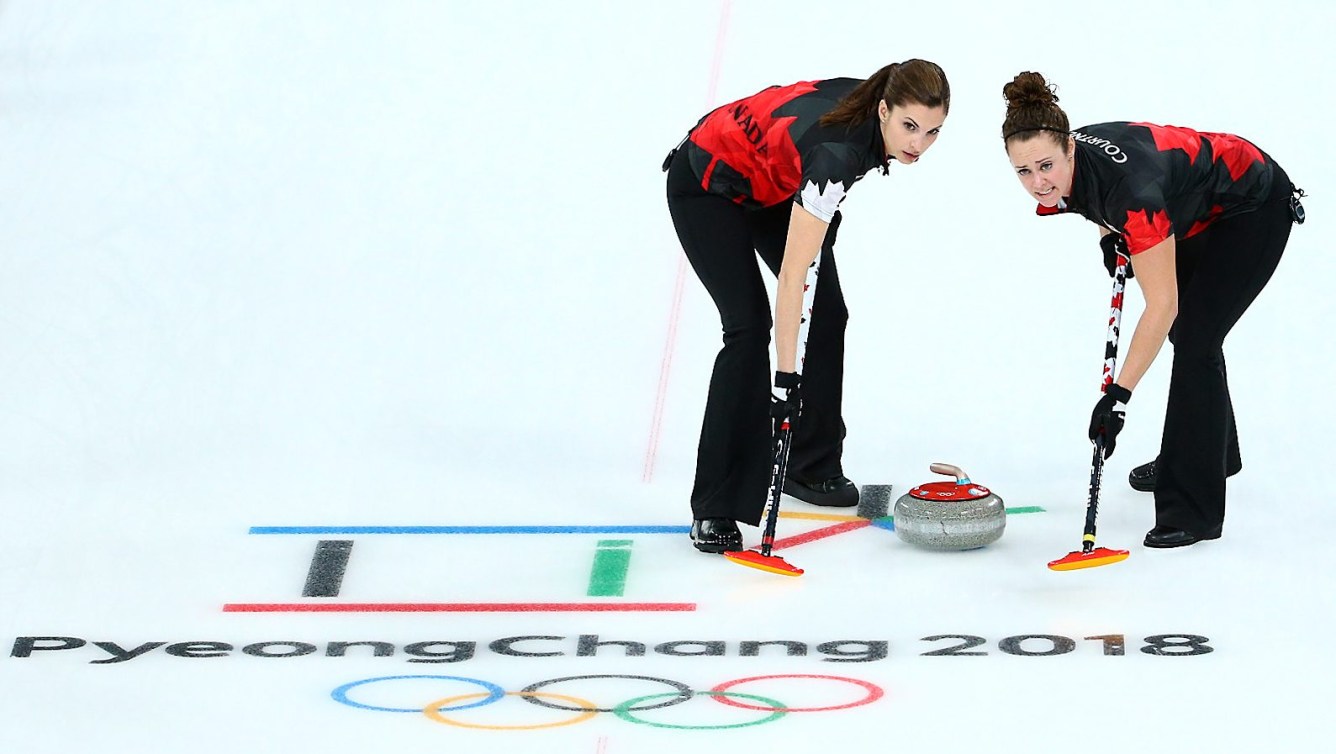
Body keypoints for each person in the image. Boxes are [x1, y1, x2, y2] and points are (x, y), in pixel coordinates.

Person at [1000, 71, 1304, 549]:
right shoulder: (1070, 159)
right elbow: (1095, 204)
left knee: (1196, 339)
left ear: (1069, 149)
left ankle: (1195, 511)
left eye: (1045, 167)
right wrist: (1110, 242)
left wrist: (1118, 398)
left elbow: (1162, 307)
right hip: (1198, 212)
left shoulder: (1132, 193)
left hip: (1253, 207)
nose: (1038, 182)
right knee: (1191, 335)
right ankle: (1208, 453)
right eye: (1023, 172)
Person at [664, 60, 951, 553]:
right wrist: (785, 382)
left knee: (828, 314)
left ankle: (808, 464)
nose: (918, 145)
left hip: (773, 185)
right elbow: (794, 280)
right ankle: (715, 506)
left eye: (933, 132)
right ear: (883, 109)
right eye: (909, 127)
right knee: (748, 328)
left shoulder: (865, 115)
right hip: (706, 185)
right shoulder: (836, 154)